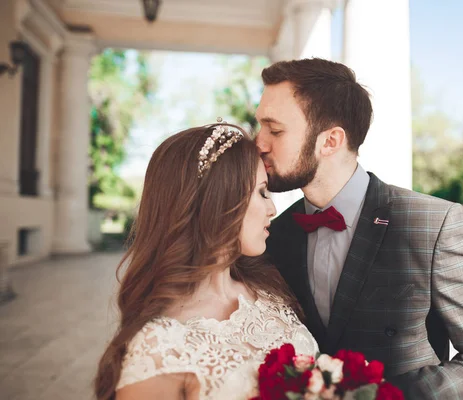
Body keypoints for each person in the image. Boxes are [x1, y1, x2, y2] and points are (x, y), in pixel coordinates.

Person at [257, 58, 463, 399]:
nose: (259, 142)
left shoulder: (432, 224)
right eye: (260, 127)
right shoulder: (275, 234)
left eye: (275, 130)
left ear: (331, 141)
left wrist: (386, 395)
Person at [94, 124, 318, 400]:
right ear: (220, 200)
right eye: (261, 192)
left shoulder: (271, 291)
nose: (272, 209)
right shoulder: (160, 348)